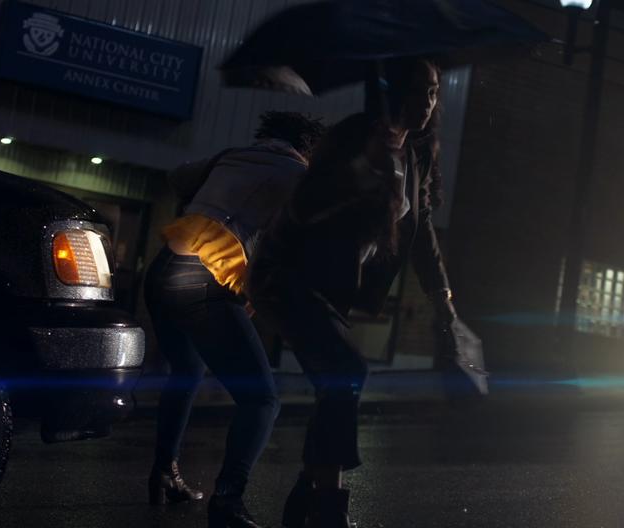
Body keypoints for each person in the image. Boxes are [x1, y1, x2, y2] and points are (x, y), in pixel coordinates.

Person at [246, 58, 458, 528]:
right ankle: (329, 509)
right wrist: (359, 176)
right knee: (347, 372)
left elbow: (422, 235)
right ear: (395, 91)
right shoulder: (352, 138)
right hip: (287, 277)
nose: (428, 102)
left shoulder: (416, 157)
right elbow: (304, 209)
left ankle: (307, 492)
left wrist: (442, 298)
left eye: (434, 92)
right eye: (420, 90)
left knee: (335, 386)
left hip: (330, 291)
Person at [144, 111, 325, 528]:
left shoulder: (230, 156)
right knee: (262, 399)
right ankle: (228, 500)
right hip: (202, 278)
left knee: (186, 371)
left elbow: (177, 177)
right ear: (308, 148)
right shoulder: (300, 175)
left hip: (163, 268)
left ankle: (163, 474)